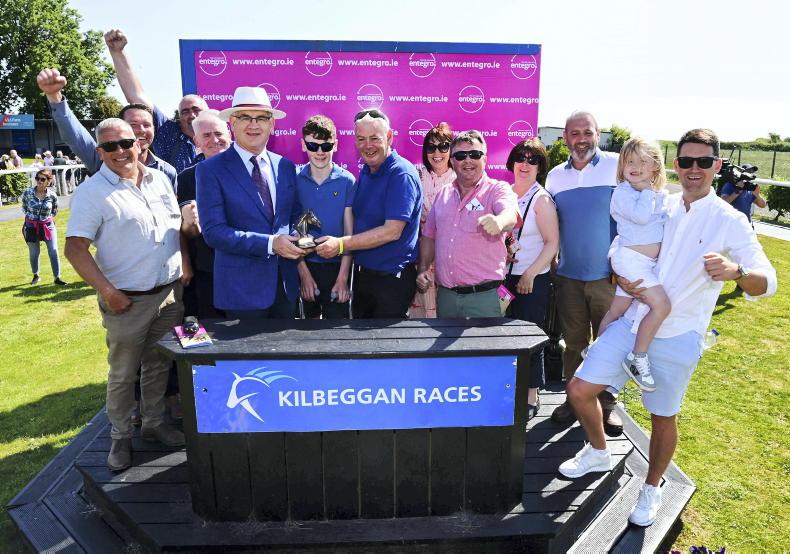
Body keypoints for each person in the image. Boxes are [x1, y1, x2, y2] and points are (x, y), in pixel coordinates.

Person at [558, 128, 776, 527]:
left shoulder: (729, 220)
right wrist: (621, 274)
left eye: (704, 161)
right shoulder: (661, 202)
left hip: (678, 335)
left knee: (662, 416)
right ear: (675, 164)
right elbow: (627, 241)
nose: (694, 168)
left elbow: (767, 282)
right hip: (632, 321)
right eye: (687, 161)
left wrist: (737, 271)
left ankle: (652, 486)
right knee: (579, 389)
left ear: (717, 166)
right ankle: (598, 451)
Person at [65, 118, 188, 471]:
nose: (120, 151)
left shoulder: (159, 179)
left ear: (138, 143)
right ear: (100, 152)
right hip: (126, 301)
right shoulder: (92, 192)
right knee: (123, 374)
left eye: (125, 143)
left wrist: (184, 264)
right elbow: (75, 249)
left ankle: (153, 423)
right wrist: (108, 292)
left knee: (158, 364)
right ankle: (119, 438)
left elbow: (173, 228)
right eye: (110, 146)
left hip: (169, 294)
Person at [196, 86, 304, 319]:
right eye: (245, 117)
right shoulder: (210, 170)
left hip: (285, 288)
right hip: (240, 292)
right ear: (232, 123)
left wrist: (300, 236)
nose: (254, 125)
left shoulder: (285, 166)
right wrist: (271, 244)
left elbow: (293, 215)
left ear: (272, 124)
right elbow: (214, 232)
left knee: (285, 344)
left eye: (262, 118)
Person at [545, 111, 622, 435]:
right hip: (569, 278)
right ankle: (574, 400)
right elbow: (552, 224)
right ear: (565, 138)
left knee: (608, 344)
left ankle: (607, 404)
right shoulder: (554, 177)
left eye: (587, 132)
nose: (581, 139)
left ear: (598, 134)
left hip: (609, 278)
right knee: (574, 344)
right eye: (574, 133)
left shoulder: (617, 166)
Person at [315, 109, 422, 319]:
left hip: (391, 282)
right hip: (364, 278)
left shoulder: (401, 174)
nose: (367, 145)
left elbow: (391, 232)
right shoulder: (367, 170)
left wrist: (340, 244)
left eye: (374, 138)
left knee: (385, 341)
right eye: (361, 139)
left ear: (389, 137)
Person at [594, 138, 670, 392]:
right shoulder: (624, 193)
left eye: (643, 162)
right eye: (629, 162)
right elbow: (641, 216)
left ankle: (597, 351)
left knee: (617, 310)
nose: (635, 167)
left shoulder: (657, 194)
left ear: (656, 166)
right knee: (661, 305)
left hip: (642, 263)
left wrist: (653, 192)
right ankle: (637, 357)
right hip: (631, 261)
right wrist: (648, 190)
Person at [416, 130, 518, 317]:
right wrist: (422, 269)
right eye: (461, 155)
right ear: (452, 161)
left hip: (485, 299)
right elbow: (429, 236)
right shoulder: (443, 194)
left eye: (475, 154)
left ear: (485, 159)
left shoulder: (497, 189)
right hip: (446, 297)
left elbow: (510, 214)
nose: (468, 160)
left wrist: (499, 221)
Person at [36, 68, 177, 186]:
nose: (141, 130)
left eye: (147, 125)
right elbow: (75, 136)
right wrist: (54, 96)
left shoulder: (166, 171)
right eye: (133, 125)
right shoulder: (103, 159)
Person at [503, 139, 559, 418]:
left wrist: (530, 273)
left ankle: (531, 394)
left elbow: (552, 243)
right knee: (506, 337)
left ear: (540, 167)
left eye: (532, 160)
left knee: (530, 336)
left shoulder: (542, 199)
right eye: (521, 158)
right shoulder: (506, 192)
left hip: (531, 280)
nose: (525, 164)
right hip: (505, 280)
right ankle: (511, 388)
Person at [105, 30, 207, 172]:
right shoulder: (168, 132)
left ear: (208, 113)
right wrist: (117, 51)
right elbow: (136, 95)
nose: (192, 115)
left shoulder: (219, 138)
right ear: (179, 117)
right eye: (185, 111)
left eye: (196, 110)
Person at [295, 115, 355, 319]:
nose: (320, 152)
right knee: (305, 331)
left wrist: (342, 279)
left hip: (337, 267)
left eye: (326, 146)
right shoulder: (294, 180)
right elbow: (290, 231)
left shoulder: (347, 181)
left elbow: (349, 235)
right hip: (304, 265)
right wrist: (303, 274)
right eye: (313, 145)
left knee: (336, 332)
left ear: (335, 145)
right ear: (303, 145)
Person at [176, 110, 230, 319]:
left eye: (219, 133)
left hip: (249, 267)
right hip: (208, 271)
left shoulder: (251, 170)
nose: (214, 140)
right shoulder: (187, 178)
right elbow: (189, 233)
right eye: (206, 135)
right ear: (196, 141)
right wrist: (190, 223)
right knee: (213, 328)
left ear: (229, 135)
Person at [410, 122, 456, 318]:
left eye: (443, 146)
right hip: (422, 253)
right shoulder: (417, 175)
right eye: (431, 147)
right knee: (422, 312)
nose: (437, 153)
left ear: (451, 149)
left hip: (452, 255)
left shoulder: (461, 177)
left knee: (447, 312)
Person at [22, 169, 67, 286]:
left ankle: (57, 278)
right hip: (31, 226)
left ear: (48, 181)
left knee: (54, 251)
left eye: (43, 179)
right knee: (34, 253)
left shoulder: (52, 195)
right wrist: (32, 219)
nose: (39, 181)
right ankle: (36, 275)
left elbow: (54, 210)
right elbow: (24, 208)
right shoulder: (28, 193)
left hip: (48, 226)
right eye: (37, 178)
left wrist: (45, 219)